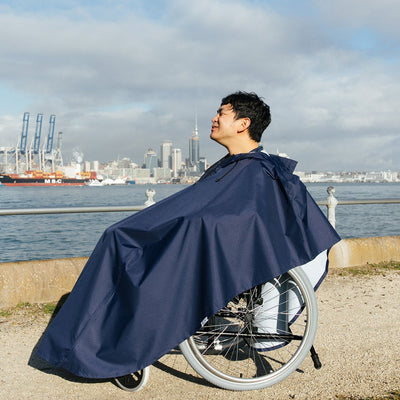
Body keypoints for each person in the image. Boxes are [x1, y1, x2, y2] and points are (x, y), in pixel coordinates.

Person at [35, 91, 340, 379]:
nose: (214, 118)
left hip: (207, 241)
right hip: (193, 235)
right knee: (117, 237)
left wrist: (192, 226)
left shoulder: (259, 170)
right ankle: (90, 339)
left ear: (243, 124)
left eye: (222, 113)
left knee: (129, 246)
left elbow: (243, 219)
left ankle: (110, 344)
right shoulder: (234, 167)